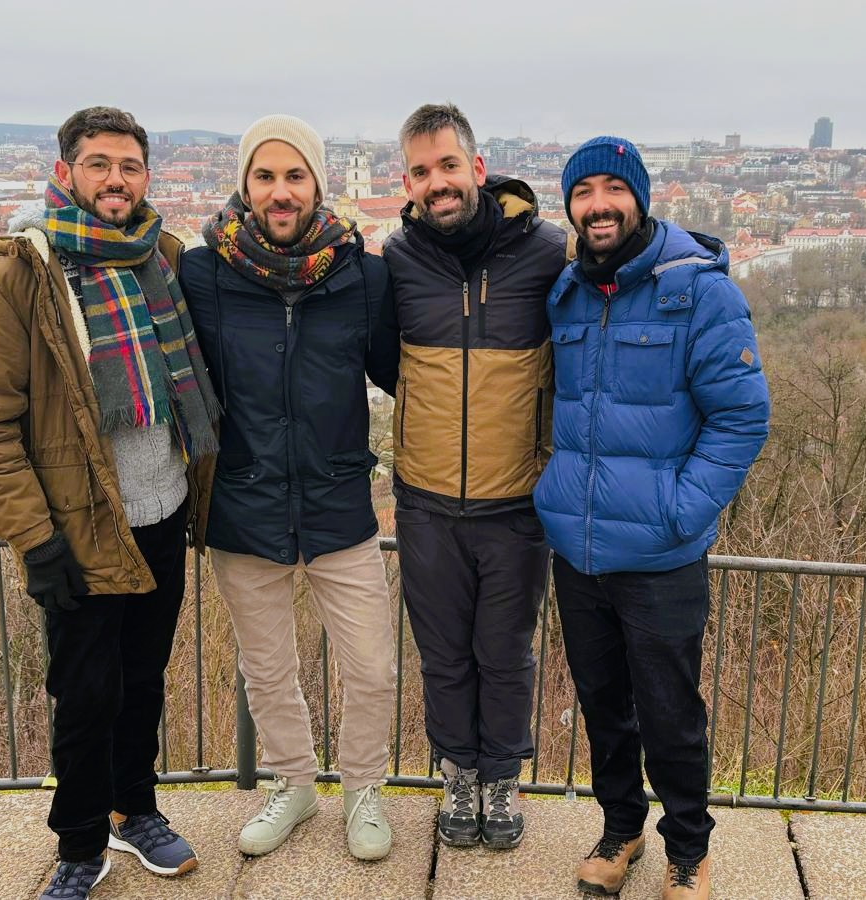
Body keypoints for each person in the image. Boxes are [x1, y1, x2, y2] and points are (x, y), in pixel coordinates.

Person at [0, 106, 218, 900]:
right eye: (99, 164)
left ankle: (138, 812)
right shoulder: (18, 275)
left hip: (162, 513)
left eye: (129, 166)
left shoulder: (161, 256)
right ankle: (79, 844)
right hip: (77, 529)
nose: (116, 179)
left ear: (145, 177)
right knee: (85, 696)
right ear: (66, 172)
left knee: (143, 679)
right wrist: (35, 539)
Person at [534, 136, 771, 900]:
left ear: (639, 196)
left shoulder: (700, 291)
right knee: (603, 704)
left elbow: (742, 418)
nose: (598, 204)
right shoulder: (568, 293)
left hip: (662, 555)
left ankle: (689, 850)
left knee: (671, 714)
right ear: (569, 206)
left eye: (612, 188)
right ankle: (621, 827)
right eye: (583, 192)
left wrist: (682, 511)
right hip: (579, 548)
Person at [178, 114, 399, 862]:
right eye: (265, 176)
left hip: (340, 504)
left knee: (373, 666)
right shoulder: (203, 274)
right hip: (245, 506)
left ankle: (363, 788)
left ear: (317, 184)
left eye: (294, 175)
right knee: (267, 670)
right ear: (245, 183)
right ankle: (294, 784)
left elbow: (400, 373)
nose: (280, 191)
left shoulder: (361, 277)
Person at [383, 102, 568, 848]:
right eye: (423, 172)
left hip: (515, 506)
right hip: (426, 504)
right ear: (410, 181)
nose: (438, 183)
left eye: (448, 166)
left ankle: (502, 781)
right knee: (443, 657)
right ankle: (458, 776)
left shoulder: (545, 253)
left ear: (478, 169)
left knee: (506, 655)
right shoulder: (397, 259)